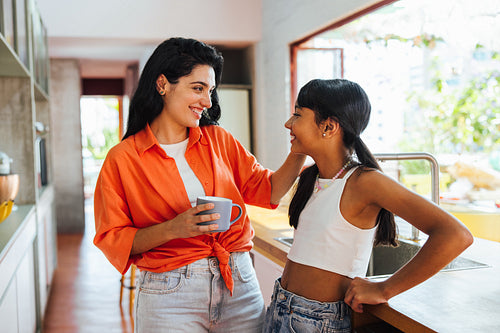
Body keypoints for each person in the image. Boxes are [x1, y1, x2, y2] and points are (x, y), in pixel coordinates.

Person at [93, 37, 305, 333]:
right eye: (197, 88)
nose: (207, 102)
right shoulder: (123, 159)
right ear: (163, 84)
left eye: (210, 91)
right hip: (169, 294)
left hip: (239, 283)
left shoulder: (218, 140)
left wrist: (300, 151)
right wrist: (174, 228)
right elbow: (113, 238)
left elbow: (268, 189)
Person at [263, 79, 473, 333]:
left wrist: (385, 288)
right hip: (280, 307)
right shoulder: (312, 177)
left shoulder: (365, 182)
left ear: (328, 126)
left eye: (297, 115)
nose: (288, 123)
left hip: (317, 322)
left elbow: (455, 235)